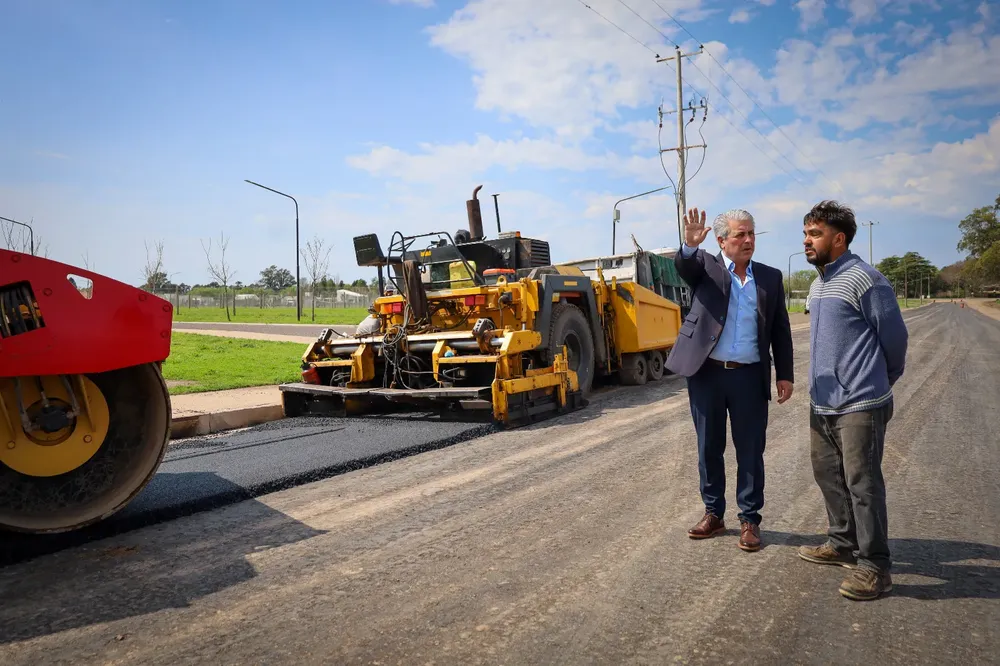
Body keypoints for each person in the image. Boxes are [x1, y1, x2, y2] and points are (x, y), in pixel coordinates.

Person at [795, 200, 908, 601]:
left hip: (860, 402)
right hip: (822, 403)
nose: (806, 240)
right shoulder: (818, 283)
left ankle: (875, 566)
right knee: (829, 476)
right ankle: (842, 542)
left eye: (815, 234)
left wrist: (878, 381)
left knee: (863, 484)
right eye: (806, 232)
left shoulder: (866, 279)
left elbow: (894, 340)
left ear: (838, 238)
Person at [666, 207, 794, 552]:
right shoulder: (707, 267)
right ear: (722, 240)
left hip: (750, 376)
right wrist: (690, 246)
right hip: (707, 374)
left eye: (751, 233)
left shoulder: (770, 277)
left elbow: (780, 330)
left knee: (751, 449)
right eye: (740, 235)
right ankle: (713, 513)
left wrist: (784, 374)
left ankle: (749, 519)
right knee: (709, 447)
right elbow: (685, 266)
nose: (749, 240)